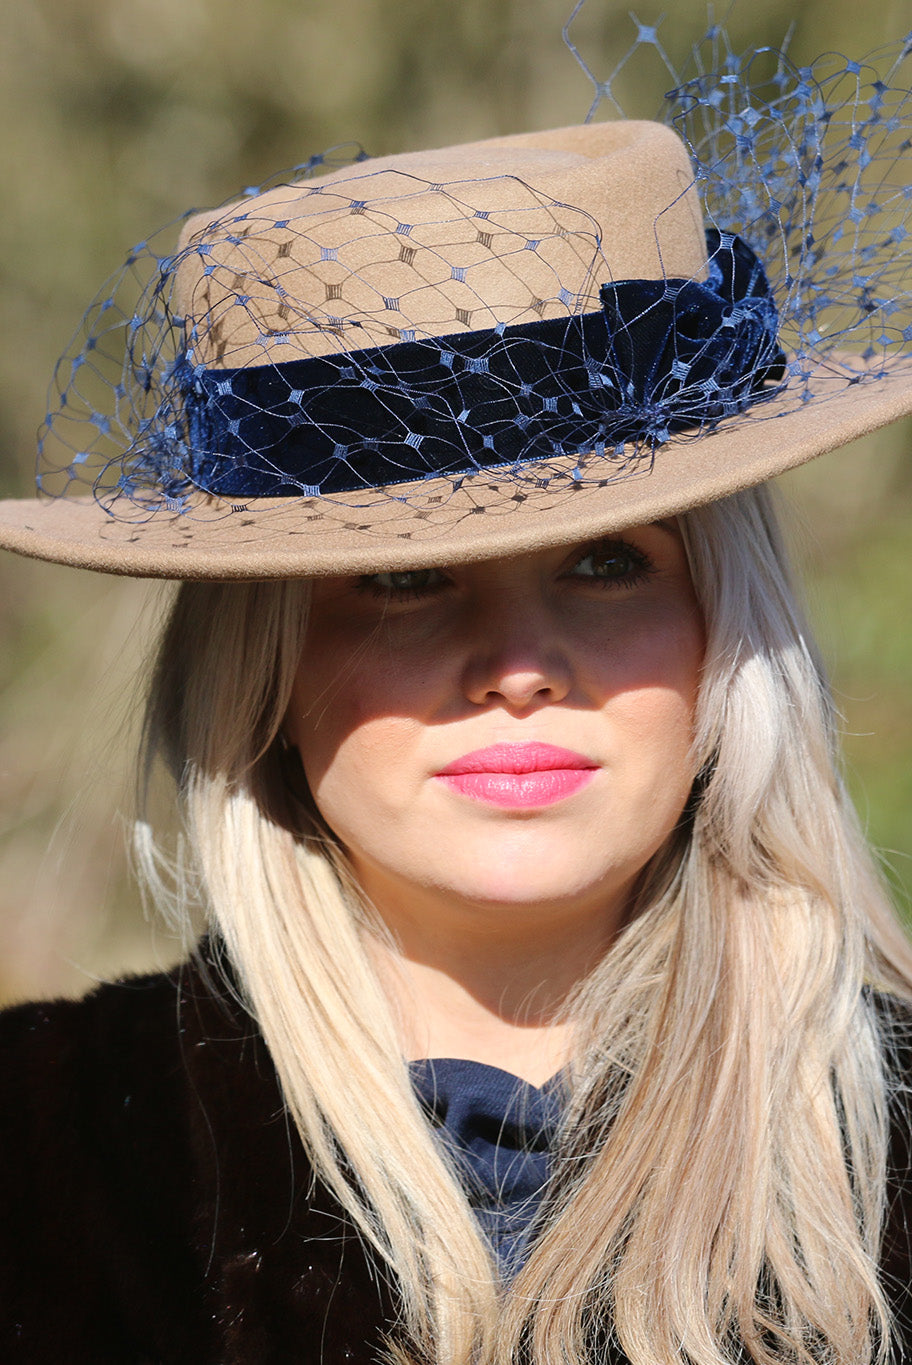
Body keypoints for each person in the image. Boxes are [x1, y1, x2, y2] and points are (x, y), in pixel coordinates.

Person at [1, 38, 911, 1365]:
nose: (518, 660)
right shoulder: (46, 1164)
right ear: (267, 662)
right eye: (405, 577)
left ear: (729, 623)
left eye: (607, 561)